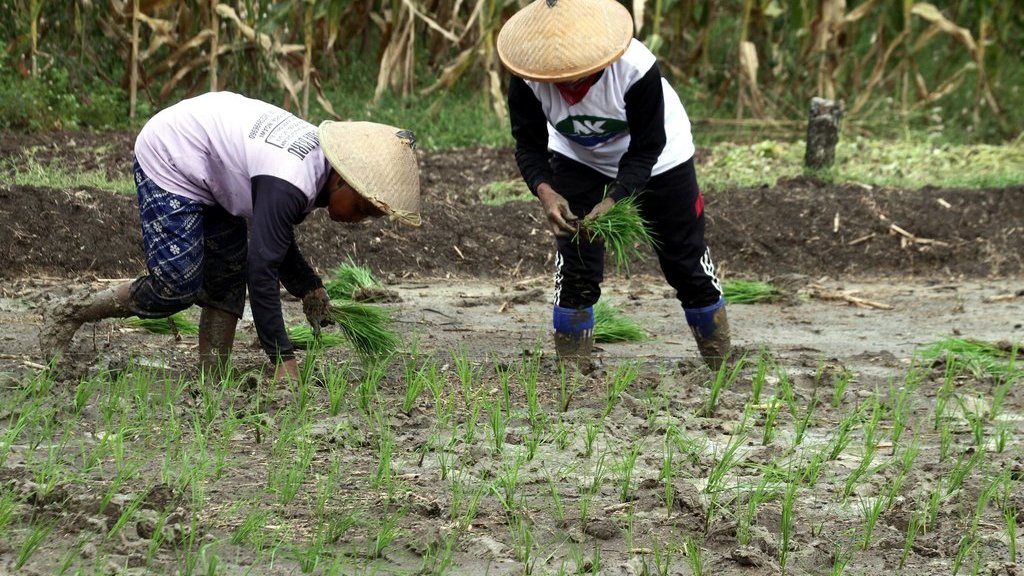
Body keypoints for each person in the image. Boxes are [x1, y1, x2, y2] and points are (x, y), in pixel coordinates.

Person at [39, 91, 421, 381]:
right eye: (360, 208)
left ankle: (212, 376)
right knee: (176, 284)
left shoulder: (312, 170)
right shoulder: (292, 179)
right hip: (172, 154)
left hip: (215, 167)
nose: (360, 220)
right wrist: (282, 358)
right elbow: (264, 270)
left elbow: (276, 238)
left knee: (227, 273)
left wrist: (309, 287)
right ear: (342, 179)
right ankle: (73, 312)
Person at [496, 0, 731, 369]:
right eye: (556, 76)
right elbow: (528, 145)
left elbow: (647, 148)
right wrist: (546, 191)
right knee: (576, 264)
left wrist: (616, 199)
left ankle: (721, 364)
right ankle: (572, 374)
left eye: (576, 74)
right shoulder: (527, 75)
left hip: (661, 158)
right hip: (578, 157)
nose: (566, 84)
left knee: (685, 260)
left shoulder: (636, 69)